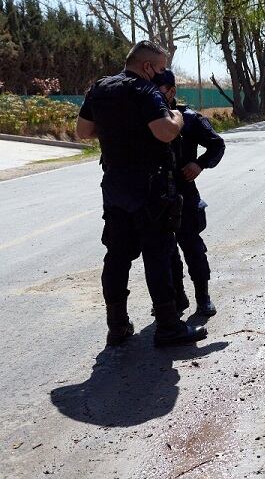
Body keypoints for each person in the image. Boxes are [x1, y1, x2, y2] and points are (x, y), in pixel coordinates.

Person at [76, 41, 207, 348]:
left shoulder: (100, 88)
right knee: (158, 254)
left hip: (115, 186)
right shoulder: (146, 92)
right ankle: (168, 326)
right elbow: (165, 131)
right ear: (148, 66)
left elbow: (83, 131)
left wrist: (116, 130)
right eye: (160, 68)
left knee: (117, 256)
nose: (161, 74)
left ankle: (117, 326)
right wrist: (176, 117)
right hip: (151, 188)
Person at [153, 70, 225, 316]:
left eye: (159, 89)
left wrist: (199, 164)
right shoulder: (146, 118)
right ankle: (176, 298)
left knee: (192, 246)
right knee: (164, 251)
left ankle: (202, 298)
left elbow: (217, 144)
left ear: (171, 91)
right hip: (156, 193)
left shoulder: (190, 118)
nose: (153, 95)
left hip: (184, 192)